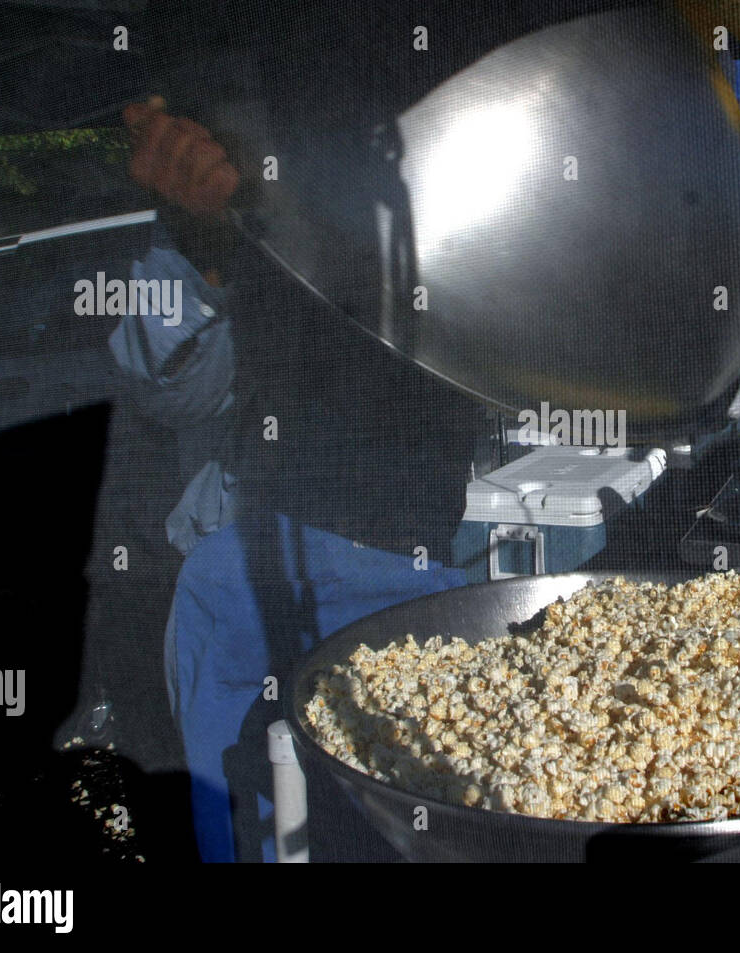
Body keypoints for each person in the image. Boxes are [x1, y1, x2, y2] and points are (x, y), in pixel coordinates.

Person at [117, 97, 486, 861]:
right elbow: (165, 382)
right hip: (244, 587)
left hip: (407, 579)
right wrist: (198, 247)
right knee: (255, 825)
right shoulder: (241, 187)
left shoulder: (459, 205)